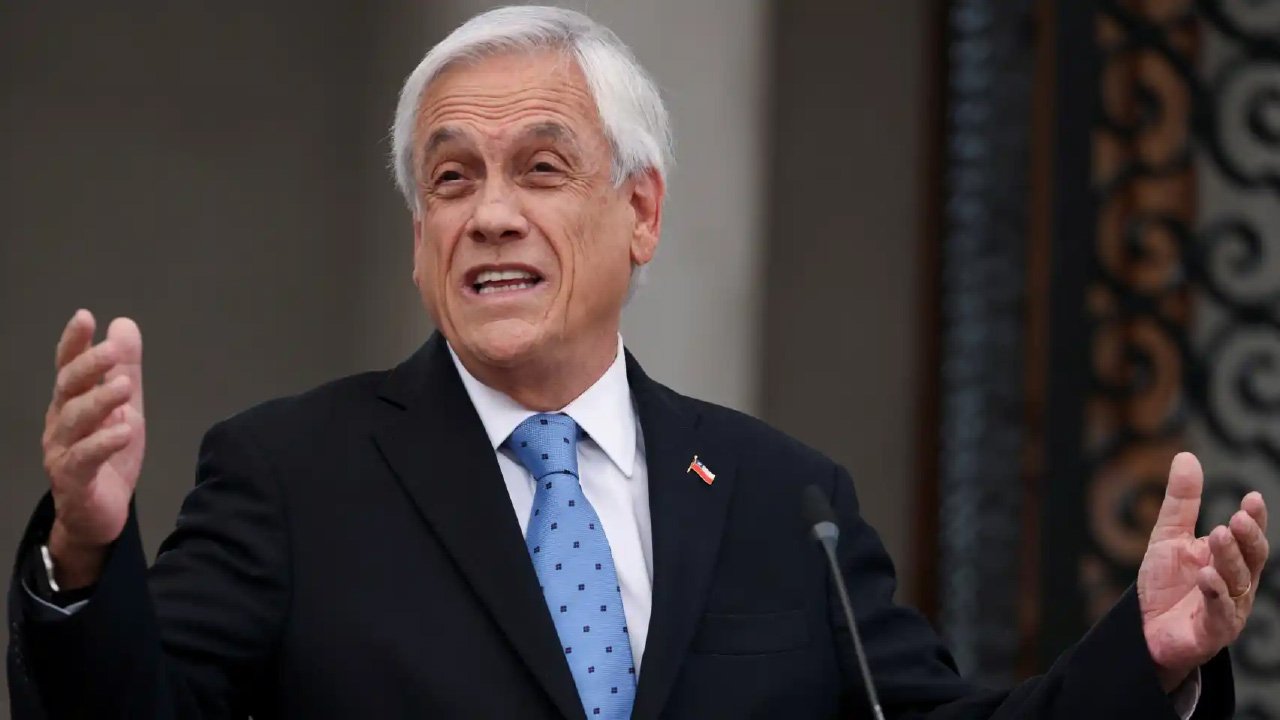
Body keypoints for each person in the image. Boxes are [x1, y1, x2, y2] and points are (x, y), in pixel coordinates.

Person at [7, 6, 1269, 719]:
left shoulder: (783, 501)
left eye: (540, 169)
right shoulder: (294, 473)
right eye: (452, 181)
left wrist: (1145, 655)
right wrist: (83, 553)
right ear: (418, 236)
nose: (490, 215)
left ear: (641, 213)